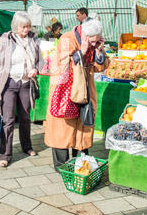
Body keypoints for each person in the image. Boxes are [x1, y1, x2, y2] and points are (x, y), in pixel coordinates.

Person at [44, 19, 110, 171]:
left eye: (97, 41)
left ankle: (80, 160)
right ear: (85, 36)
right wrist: (82, 52)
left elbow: (102, 66)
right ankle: (62, 166)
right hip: (65, 90)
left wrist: (99, 51)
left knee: (83, 124)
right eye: (92, 42)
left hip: (85, 89)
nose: (94, 44)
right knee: (64, 127)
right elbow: (62, 65)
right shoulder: (67, 39)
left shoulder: (95, 44)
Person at [0, 11, 43, 167]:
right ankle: (5, 154)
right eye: (23, 27)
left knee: (25, 118)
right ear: (15, 26)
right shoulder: (5, 39)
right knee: (8, 120)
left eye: (28, 27)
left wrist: (36, 70)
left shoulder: (33, 39)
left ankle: (27, 146)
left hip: (26, 83)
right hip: (9, 83)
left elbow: (41, 61)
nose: (26, 30)